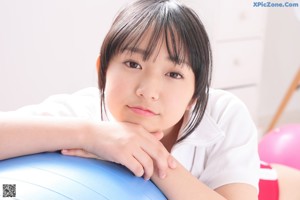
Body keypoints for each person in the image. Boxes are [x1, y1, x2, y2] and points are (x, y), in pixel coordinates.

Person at [0, 0, 299, 199]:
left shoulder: (223, 114)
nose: (148, 90)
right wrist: (90, 135)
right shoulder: (85, 111)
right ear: (102, 68)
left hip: (252, 186)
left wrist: (149, 156)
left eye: (173, 74)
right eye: (133, 64)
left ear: (196, 94)